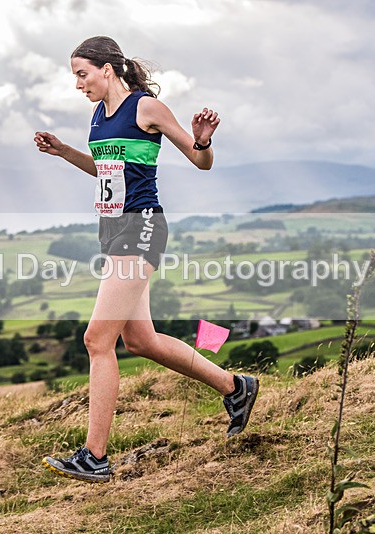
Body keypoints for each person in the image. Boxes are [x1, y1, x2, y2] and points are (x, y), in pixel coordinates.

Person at [34, 36, 259, 483]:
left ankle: (94, 456)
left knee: (98, 340)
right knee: (141, 342)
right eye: (75, 77)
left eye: (82, 74)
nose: (78, 85)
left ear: (107, 69)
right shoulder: (98, 115)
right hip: (114, 231)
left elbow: (201, 162)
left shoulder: (146, 108)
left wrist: (203, 141)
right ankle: (235, 387)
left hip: (142, 228)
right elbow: (106, 171)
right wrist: (63, 152)